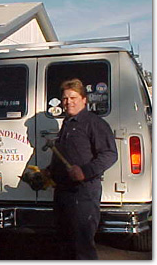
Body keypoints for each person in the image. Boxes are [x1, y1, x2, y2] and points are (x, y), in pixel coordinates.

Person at [45, 78, 118, 260]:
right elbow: (65, 154)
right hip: (63, 193)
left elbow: (109, 154)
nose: (68, 102)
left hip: (83, 194)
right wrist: (49, 171)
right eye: (65, 98)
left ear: (84, 99)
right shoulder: (68, 123)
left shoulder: (94, 123)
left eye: (73, 97)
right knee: (65, 243)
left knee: (82, 247)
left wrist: (85, 171)